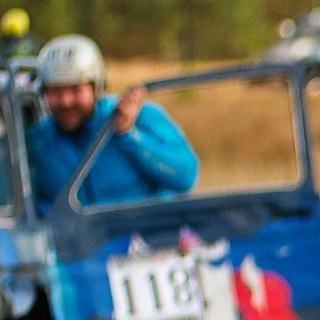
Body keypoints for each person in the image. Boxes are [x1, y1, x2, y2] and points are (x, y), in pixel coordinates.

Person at [25, 34, 197, 208]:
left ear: (96, 87)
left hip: (141, 232)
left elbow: (185, 177)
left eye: (75, 89)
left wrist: (128, 135)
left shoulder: (141, 116)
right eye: (55, 92)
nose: (65, 101)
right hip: (76, 234)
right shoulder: (36, 141)